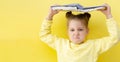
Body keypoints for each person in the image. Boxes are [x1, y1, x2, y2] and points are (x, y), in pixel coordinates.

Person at [39, 3, 119, 62]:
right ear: (67, 32)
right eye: (72, 30)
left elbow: (115, 38)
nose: (76, 33)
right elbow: (44, 35)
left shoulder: (94, 46)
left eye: (80, 29)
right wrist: (49, 16)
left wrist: (108, 16)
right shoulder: (60, 44)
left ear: (87, 31)